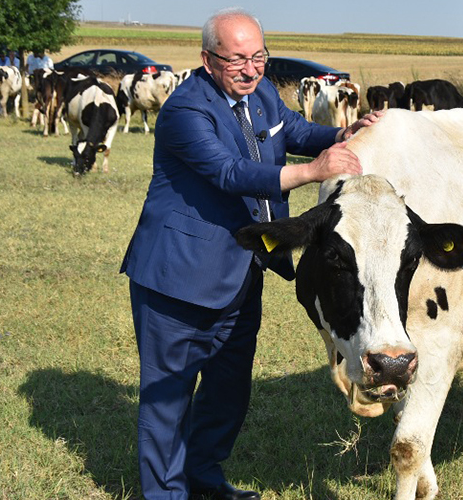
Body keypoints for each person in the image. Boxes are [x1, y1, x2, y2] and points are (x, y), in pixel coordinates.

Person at [119, 8, 381, 500]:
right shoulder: (185, 111)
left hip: (243, 271)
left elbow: (297, 133)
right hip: (179, 277)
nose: (251, 67)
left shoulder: (260, 93)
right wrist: (311, 173)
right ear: (207, 59)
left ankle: (205, 478)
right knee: (168, 399)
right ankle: (166, 495)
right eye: (236, 58)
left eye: (259, 55)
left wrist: (348, 135)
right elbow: (229, 172)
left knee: (228, 391)